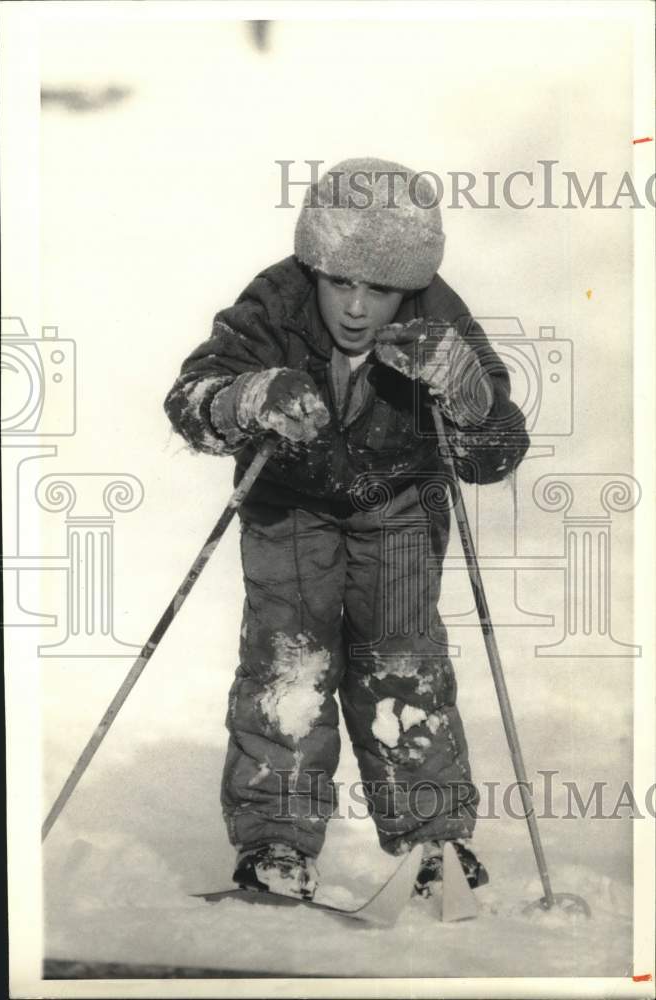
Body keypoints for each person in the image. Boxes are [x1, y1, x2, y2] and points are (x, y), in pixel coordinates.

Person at [164, 158, 530, 902]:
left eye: (381, 290)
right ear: (314, 265)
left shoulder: (439, 311)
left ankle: (434, 836)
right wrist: (246, 397)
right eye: (340, 283)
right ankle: (276, 839)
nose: (358, 308)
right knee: (289, 662)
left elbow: (496, 447)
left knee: (401, 661)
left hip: (398, 504)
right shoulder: (274, 300)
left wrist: (462, 390)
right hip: (290, 502)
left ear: (412, 284)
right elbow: (189, 400)